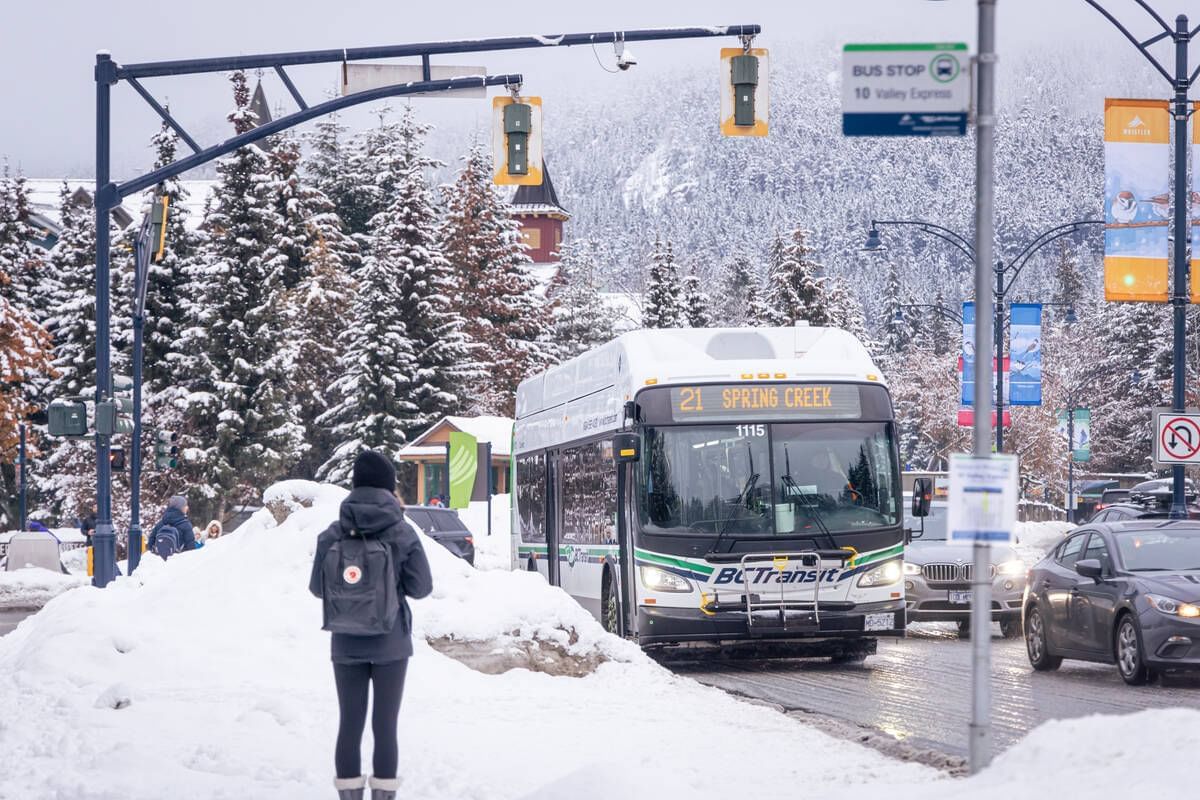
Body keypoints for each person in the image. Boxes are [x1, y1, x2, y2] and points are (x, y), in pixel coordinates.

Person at [310, 451, 432, 800]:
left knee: (349, 723)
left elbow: (318, 588)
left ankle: (348, 795)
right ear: (389, 486)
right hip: (391, 642)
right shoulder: (403, 532)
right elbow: (422, 588)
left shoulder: (332, 533)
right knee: (384, 725)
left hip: (346, 642)